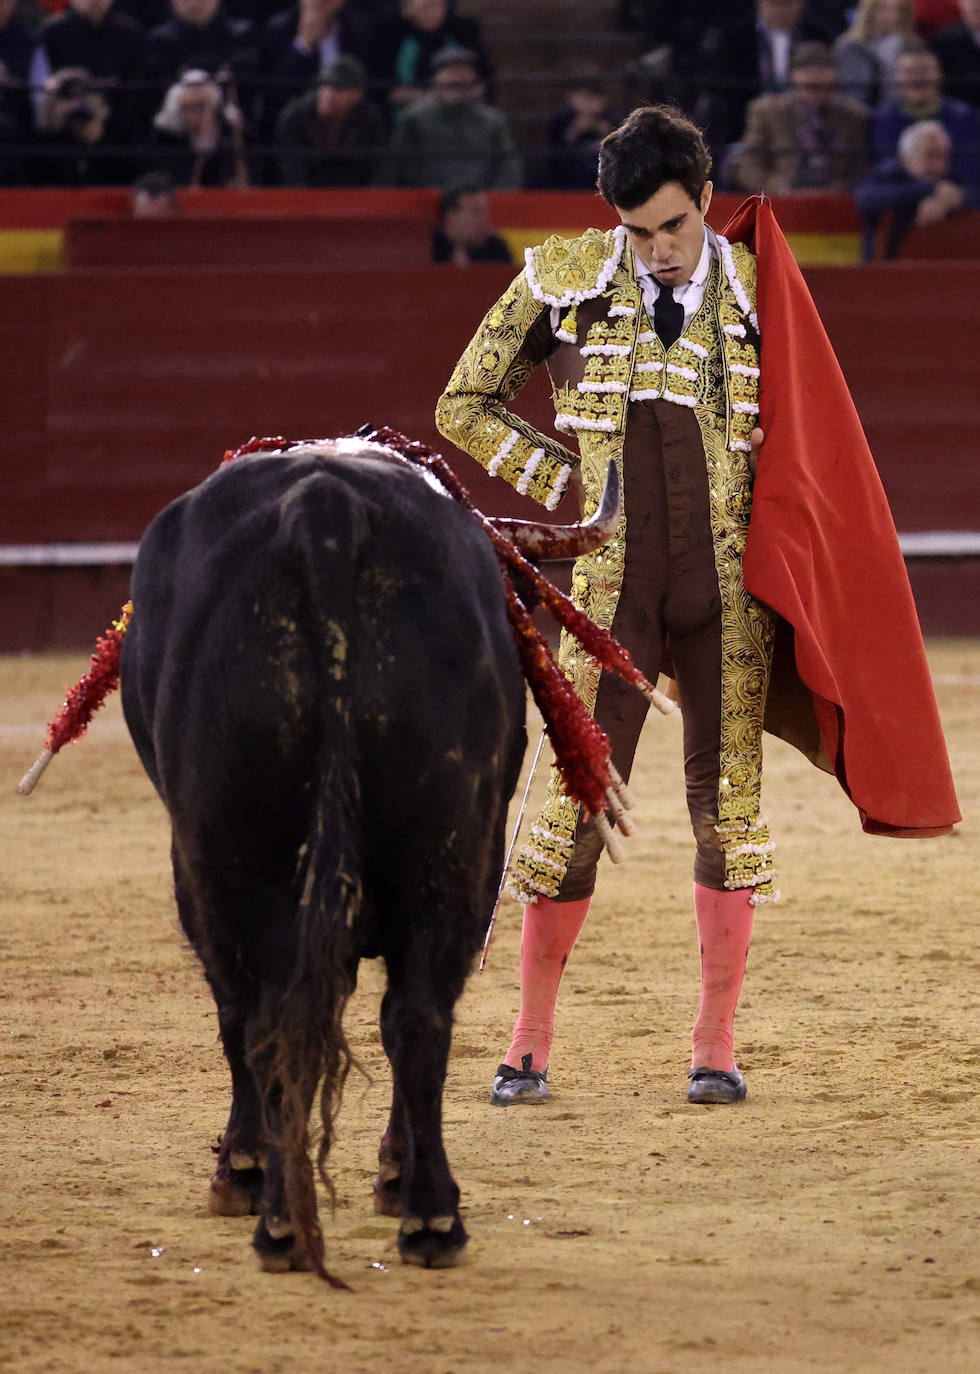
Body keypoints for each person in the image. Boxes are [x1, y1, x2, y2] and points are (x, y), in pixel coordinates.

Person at [435, 104, 958, 1109]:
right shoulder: (563, 279)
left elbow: (813, 459)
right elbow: (462, 403)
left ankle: (712, 1044)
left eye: (673, 225)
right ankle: (528, 1041)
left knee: (729, 818)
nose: (658, 250)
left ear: (707, 202)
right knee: (569, 819)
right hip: (607, 601)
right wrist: (573, 489)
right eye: (636, 232)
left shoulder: (762, 295)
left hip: (726, 603)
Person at [729, 41, 869, 193]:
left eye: (822, 69)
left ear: (834, 75)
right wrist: (779, 189)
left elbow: (861, 168)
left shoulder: (853, 114)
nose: (814, 75)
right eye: (806, 69)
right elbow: (749, 165)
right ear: (793, 75)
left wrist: (836, 190)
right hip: (782, 201)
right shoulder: (767, 112)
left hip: (835, 202)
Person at [377, 46, 521, 190]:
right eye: (453, 71)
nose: (460, 77)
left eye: (465, 71)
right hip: (429, 199)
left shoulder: (493, 120)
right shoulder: (415, 117)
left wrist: (494, 199)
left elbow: (508, 166)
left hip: (481, 201)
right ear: (437, 78)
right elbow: (397, 166)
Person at [855, 116, 978, 253]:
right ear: (906, 157)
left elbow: (972, 193)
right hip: (884, 267)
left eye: (943, 157)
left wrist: (956, 199)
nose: (939, 166)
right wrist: (931, 190)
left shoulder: (951, 178)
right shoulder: (885, 174)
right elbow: (865, 199)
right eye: (930, 156)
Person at [872, 43, 980, 182]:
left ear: (939, 73)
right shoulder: (884, 117)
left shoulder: (963, 116)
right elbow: (883, 166)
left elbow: (970, 166)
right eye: (909, 72)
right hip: (900, 195)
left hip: (953, 195)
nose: (917, 79)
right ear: (897, 77)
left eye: (924, 70)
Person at [275, 53, 385, 186]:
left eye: (338, 88)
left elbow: (377, 174)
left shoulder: (370, 120)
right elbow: (293, 175)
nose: (329, 94)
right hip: (304, 199)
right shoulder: (295, 118)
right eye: (324, 85)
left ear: (358, 93)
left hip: (355, 198)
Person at [368, 0, 493, 111]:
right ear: (407, 8)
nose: (433, 12)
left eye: (438, 5)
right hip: (406, 117)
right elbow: (383, 88)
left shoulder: (463, 32)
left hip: (464, 113)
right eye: (427, 6)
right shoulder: (388, 35)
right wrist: (436, 97)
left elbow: (484, 81)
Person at [151, 67, 248, 187]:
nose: (195, 116)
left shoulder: (226, 144)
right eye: (188, 107)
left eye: (201, 107)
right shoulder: (167, 146)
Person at [835, 0, 917, 106]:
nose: (891, 16)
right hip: (864, 108)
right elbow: (855, 91)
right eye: (883, 9)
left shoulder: (912, 45)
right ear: (868, 12)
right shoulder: (849, 47)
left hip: (903, 108)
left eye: (896, 9)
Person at [544, 84, 615, 190]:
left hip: (598, 170)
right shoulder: (561, 117)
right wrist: (576, 129)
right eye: (585, 98)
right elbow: (559, 146)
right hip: (568, 170)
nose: (589, 103)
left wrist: (601, 129)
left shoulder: (606, 117)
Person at [431, 183, 512, 264]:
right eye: (476, 212)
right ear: (451, 215)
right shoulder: (430, 247)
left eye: (485, 213)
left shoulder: (496, 248)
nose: (483, 219)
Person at [932, 0, 980, 108]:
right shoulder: (943, 40)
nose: (976, 3)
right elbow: (943, 84)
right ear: (960, 3)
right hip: (964, 109)